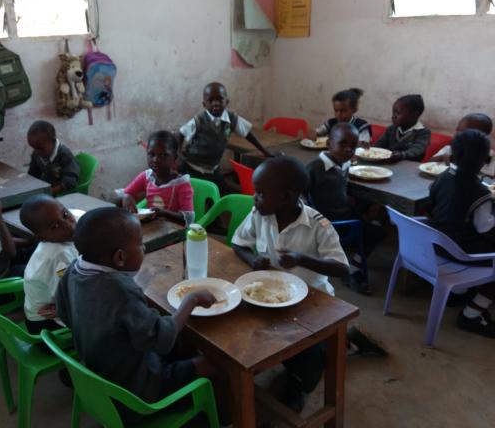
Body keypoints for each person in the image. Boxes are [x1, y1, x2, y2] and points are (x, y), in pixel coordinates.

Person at [55, 207, 217, 423]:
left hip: (99, 373)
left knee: (184, 345)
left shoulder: (73, 270)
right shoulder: (120, 290)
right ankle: (215, 417)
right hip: (136, 392)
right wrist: (191, 300)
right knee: (213, 364)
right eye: (141, 244)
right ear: (120, 257)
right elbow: (162, 340)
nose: (144, 247)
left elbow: (64, 314)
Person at [231, 156, 349, 412]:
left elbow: (342, 268)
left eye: (260, 193)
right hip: (272, 296)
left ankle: (298, 383)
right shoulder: (260, 214)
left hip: (314, 302)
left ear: (286, 196)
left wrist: (301, 259)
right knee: (241, 329)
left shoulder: (318, 224)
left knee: (310, 353)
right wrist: (253, 260)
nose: (254, 198)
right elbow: (238, 243)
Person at [429, 129, 495, 337]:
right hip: (458, 254)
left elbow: (432, 205)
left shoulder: (442, 177)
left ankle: (457, 293)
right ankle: (471, 315)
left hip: (434, 246)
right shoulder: (480, 193)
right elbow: (486, 229)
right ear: (485, 161)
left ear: (452, 155)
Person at [306, 123, 385, 295]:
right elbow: (301, 195)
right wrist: (314, 219)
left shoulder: (344, 163)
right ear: (329, 144)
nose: (348, 149)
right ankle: (353, 269)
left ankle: (355, 239)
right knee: (378, 232)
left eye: (353, 146)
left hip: (343, 211)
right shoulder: (315, 168)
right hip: (331, 222)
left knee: (379, 209)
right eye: (342, 144)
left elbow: (339, 185)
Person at [178, 82, 273, 195]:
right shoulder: (199, 120)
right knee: (196, 196)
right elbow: (180, 134)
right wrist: (177, 157)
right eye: (210, 100)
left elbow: (247, 133)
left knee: (224, 196)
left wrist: (264, 151)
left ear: (226, 102)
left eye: (220, 99)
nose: (215, 103)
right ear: (204, 104)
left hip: (213, 170)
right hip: (192, 168)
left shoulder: (232, 118)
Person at [19, 194, 78, 335]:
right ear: (42, 237)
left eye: (65, 214)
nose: (67, 224)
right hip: (45, 325)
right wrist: (62, 309)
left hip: (46, 306)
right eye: (55, 226)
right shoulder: (59, 256)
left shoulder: (63, 238)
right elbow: (71, 296)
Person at [115, 131, 194, 225]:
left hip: (174, 230)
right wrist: (127, 196)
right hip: (153, 226)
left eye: (163, 155)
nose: (155, 159)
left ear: (175, 157)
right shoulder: (147, 176)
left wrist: (164, 213)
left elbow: (189, 218)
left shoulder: (181, 184)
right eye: (151, 154)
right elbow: (127, 192)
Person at [429, 113, 495, 178]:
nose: (456, 133)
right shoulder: (449, 149)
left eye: (462, 131)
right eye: (457, 129)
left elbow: (490, 176)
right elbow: (428, 164)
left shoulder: (489, 155)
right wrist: (443, 156)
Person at [27, 120, 80, 195]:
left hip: (63, 192)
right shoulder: (37, 154)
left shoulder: (64, 154)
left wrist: (50, 192)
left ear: (53, 141)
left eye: (40, 148)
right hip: (47, 188)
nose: (37, 152)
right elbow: (33, 174)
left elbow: (71, 181)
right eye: (34, 148)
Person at [374, 94, 431, 162]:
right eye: (393, 113)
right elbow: (379, 145)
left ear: (414, 114)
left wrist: (401, 155)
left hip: (409, 166)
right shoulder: (391, 129)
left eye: (398, 113)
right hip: (388, 163)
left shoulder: (423, 133)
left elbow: (416, 150)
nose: (394, 116)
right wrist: (369, 149)